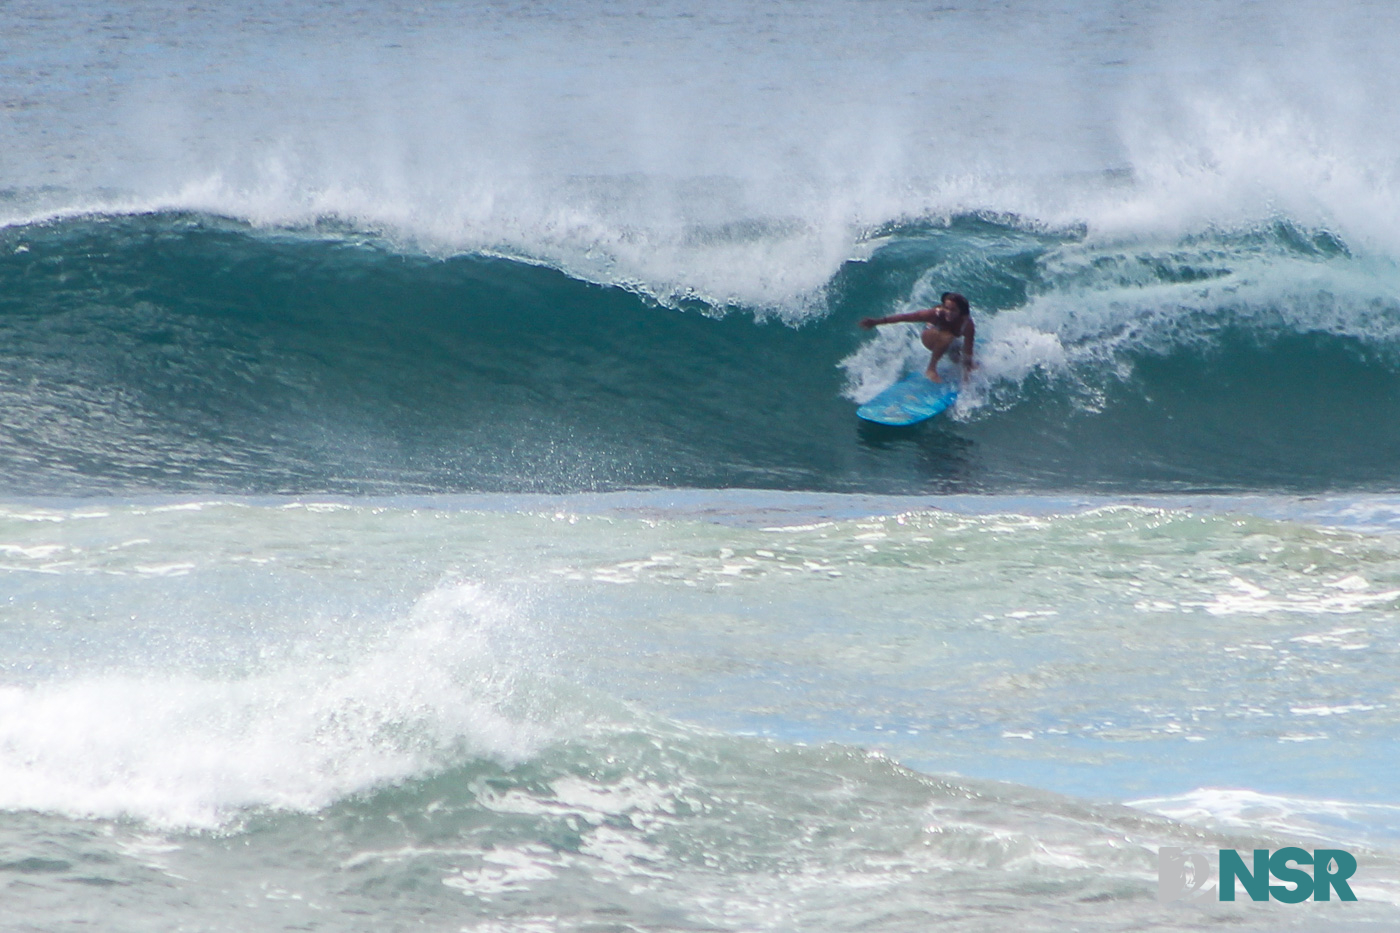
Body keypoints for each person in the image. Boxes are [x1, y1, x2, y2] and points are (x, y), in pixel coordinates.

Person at [859, 292, 975, 383]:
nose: (948, 312)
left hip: (948, 341)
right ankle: (931, 369)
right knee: (947, 336)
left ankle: (955, 362)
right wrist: (876, 322)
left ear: (961, 312)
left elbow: (968, 350)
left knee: (962, 360)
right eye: (946, 307)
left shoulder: (967, 325)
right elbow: (904, 317)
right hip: (930, 337)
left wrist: (966, 379)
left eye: (953, 310)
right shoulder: (935, 313)